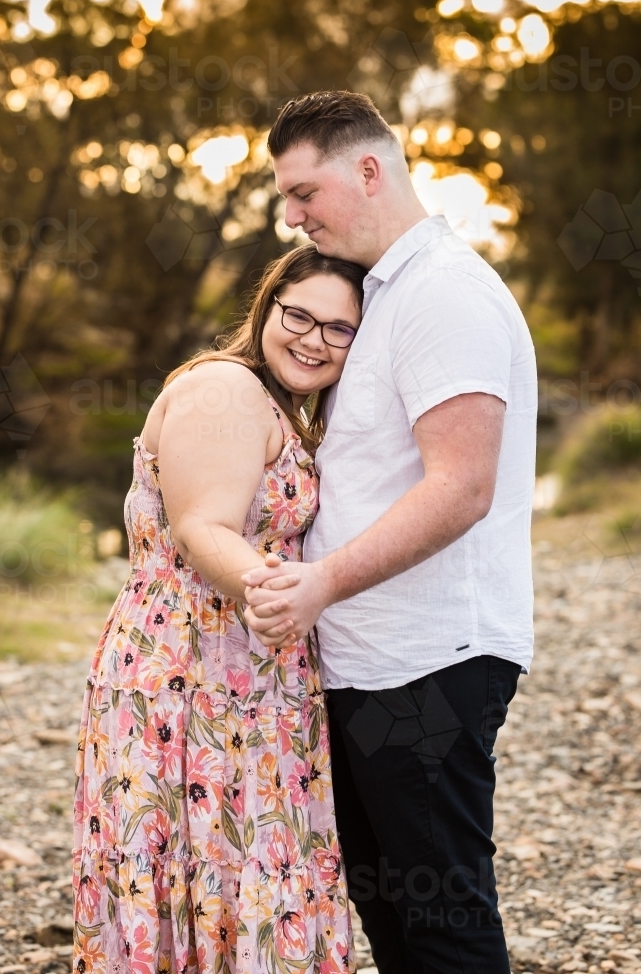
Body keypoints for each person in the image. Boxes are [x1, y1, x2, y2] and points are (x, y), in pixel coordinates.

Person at [243, 91, 538, 974]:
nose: (291, 217)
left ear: (368, 170)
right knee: (391, 912)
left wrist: (320, 583)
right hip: (370, 664)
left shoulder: (445, 293)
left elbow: (461, 487)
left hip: (430, 664)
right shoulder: (382, 295)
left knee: (442, 920)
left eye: (303, 193)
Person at [73, 244, 366, 974]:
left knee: (244, 870)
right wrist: (275, 592)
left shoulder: (285, 410)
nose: (313, 338)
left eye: (339, 329)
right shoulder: (226, 388)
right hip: (185, 677)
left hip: (250, 679)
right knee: (198, 868)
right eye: (297, 314)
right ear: (266, 306)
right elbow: (202, 526)